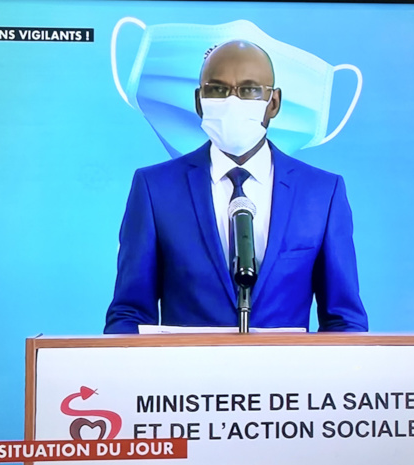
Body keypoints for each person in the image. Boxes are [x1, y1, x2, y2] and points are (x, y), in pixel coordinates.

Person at [104, 40, 368, 333]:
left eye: (249, 90)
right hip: (185, 364)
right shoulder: (155, 189)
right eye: (217, 90)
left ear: (274, 103)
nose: (232, 101)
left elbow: (345, 320)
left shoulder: (321, 193)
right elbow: (128, 314)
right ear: (199, 101)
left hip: (287, 364)